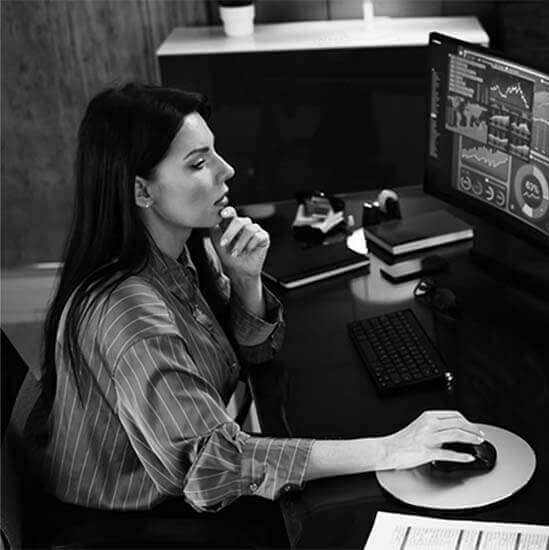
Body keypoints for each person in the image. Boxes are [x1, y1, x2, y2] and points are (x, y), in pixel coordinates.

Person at [29, 83, 482, 522]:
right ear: (142, 191)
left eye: (215, 152)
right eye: (199, 162)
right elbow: (213, 466)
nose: (227, 170)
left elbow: (252, 354)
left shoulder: (183, 251)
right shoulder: (131, 313)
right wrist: (389, 449)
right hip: (127, 523)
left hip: (175, 488)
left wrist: (245, 281)